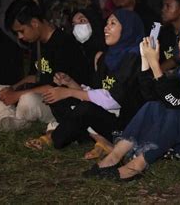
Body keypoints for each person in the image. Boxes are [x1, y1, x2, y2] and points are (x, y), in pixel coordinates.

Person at [83, 21, 180, 181]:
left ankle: (135, 167)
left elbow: (176, 101)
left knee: (176, 117)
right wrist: (145, 62)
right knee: (153, 106)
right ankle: (113, 157)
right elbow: (152, 96)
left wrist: (155, 65)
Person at [26, 9, 145, 159]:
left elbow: (112, 100)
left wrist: (70, 92)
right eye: (107, 23)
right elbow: (96, 91)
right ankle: (91, 137)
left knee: (84, 108)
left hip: (125, 125)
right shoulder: (107, 57)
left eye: (113, 23)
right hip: (108, 114)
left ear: (128, 29)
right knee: (61, 99)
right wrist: (70, 83)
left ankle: (55, 136)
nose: (106, 27)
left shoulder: (134, 59)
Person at [0, 0, 89, 131]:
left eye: (21, 31)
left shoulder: (63, 44)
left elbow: (56, 88)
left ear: (34, 23)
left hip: (60, 102)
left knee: (27, 99)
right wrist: (13, 88)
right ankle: (10, 117)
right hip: (39, 94)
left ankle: (7, 115)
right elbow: (34, 76)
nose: (20, 37)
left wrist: (18, 95)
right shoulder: (37, 41)